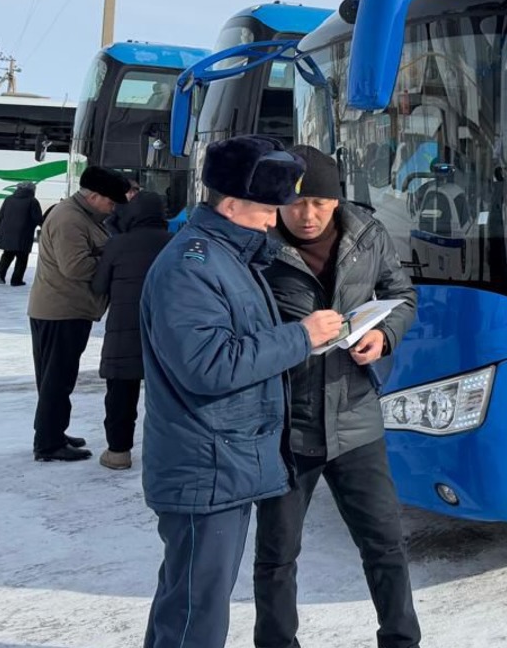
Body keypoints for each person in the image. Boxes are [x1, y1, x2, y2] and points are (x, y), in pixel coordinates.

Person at [140, 135, 343, 648]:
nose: (276, 220)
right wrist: (302, 337)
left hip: (221, 459)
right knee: (196, 614)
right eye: (267, 209)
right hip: (205, 465)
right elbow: (209, 365)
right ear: (231, 205)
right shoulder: (193, 265)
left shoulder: (230, 257)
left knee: (188, 602)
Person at [254, 144, 421, 648]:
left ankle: (401, 640)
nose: (308, 216)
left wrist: (385, 334)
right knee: (278, 555)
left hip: (355, 420)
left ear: (337, 200)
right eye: (297, 204)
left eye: (321, 205)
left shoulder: (367, 235)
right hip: (286, 424)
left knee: (385, 544)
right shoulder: (256, 244)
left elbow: (402, 295)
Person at [27, 165, 131, 462]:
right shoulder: (70, 219)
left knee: (55, 377)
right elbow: (76, 267)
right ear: (94, 196)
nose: (112, 209)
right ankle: (48, 443)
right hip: (62, 310)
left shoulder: (81, 215)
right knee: (57, 379)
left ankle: (52, 431)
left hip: (63, 308)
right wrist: (114, 267)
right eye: (110, 202)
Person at [90, 190, 171, 471]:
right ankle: (164, 453)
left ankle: (118, 452)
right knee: (165, 397)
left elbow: (98, 286)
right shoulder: (175, 243)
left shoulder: (118, 244)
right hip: (166, 334)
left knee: (120, 394)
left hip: (123, 332)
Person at [0, 181, 43, 286]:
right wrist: (45, 226)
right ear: (31, 190)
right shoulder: (32, 201)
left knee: (7, 254)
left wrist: (1, 231)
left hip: (7, 232)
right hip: (24, 233)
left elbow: (0, 216)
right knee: (22, 257)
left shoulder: (8, 199)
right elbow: (37, 218)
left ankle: (0, 273)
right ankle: (16, 280)